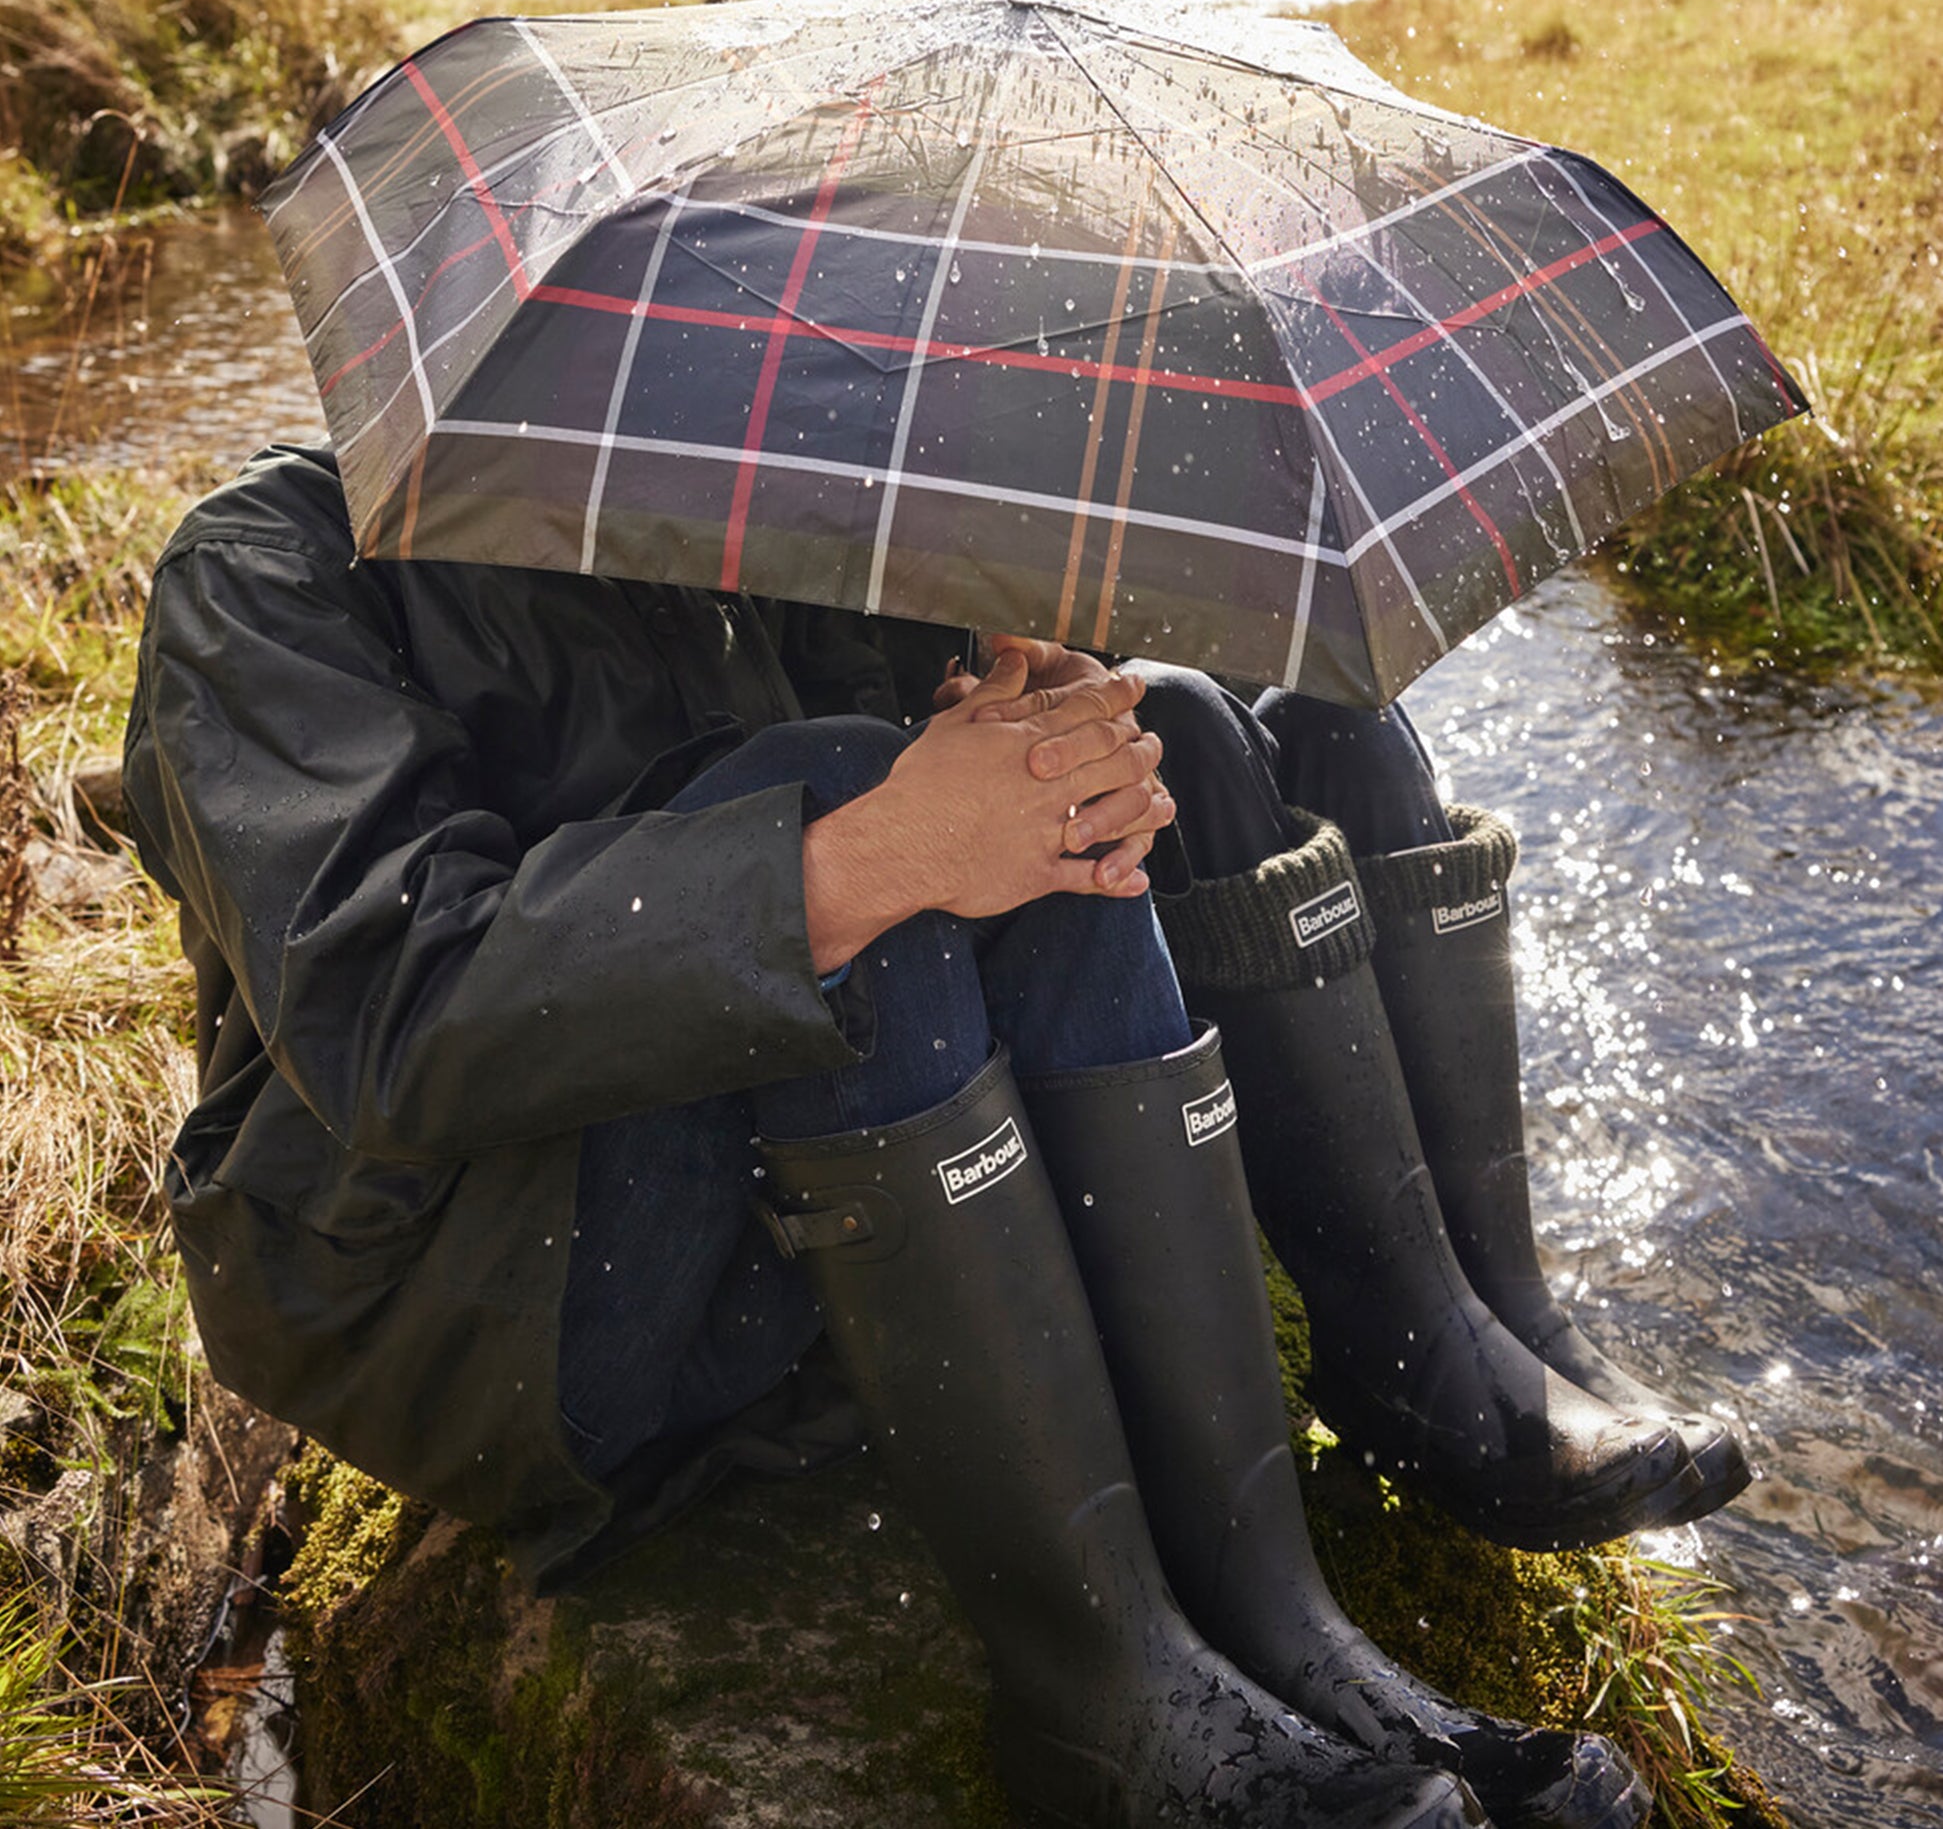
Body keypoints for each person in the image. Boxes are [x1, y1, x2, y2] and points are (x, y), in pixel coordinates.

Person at [122, 442, 1745, 1829]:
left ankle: (1286, 1618)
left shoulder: (756, 521)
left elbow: (955, 841)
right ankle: (1091, 1682)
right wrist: (876, 843)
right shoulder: (270, 568)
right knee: (839, 797)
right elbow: (399, 1024)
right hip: (449, 1298)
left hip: (780, 1235)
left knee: (1117, 738)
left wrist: (1008, 706)